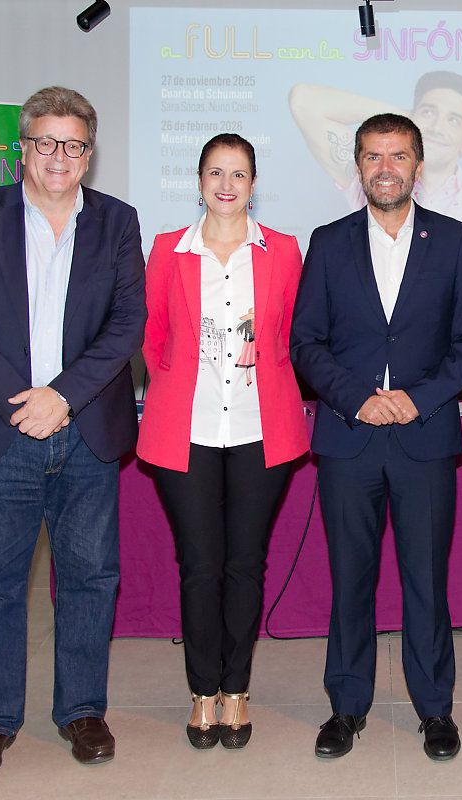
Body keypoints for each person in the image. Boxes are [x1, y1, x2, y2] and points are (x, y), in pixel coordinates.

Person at [0, 86, 146, 779]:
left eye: (74, 144)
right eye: (46, 142)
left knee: (90, 578)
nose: (59, 157)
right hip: (4, 428)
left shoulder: (117, 222)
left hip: (86, 428)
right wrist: (23, 401)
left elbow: (126, 326)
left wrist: (63, 396)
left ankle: (82, 709)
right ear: (22, 149)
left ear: (90, 153)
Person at [290, 113, 462, 762]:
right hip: (349, 439)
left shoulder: (455, 240)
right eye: (373, 156)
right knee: (351, 578)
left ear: (418, 166)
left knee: (426, 581)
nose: (385, 168)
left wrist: (417, 398)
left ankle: (435, 710)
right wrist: (355, 400)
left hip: (424, 436)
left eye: (398, 156)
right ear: (358, 166)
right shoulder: (328, 241)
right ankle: (346, 708)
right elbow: (306, 342)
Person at [137, 133, 308, 750]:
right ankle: (201, 693)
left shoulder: (284, 252)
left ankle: (236, 690)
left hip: (261, 431)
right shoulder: (167, 250)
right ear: (200, 180)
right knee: (199, 567)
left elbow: (291, 334)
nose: (227, 185)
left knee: (245, 565)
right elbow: (154, 341)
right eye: (216, 173)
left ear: (254, 183)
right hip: (189, 431)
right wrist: (190, 382)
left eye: (239, 174)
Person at [288, 71, 462, 253]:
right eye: (428, 112)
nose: (436, 127)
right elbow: (304, 100)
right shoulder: (380, 177)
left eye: (454, 120)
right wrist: (405, 121)